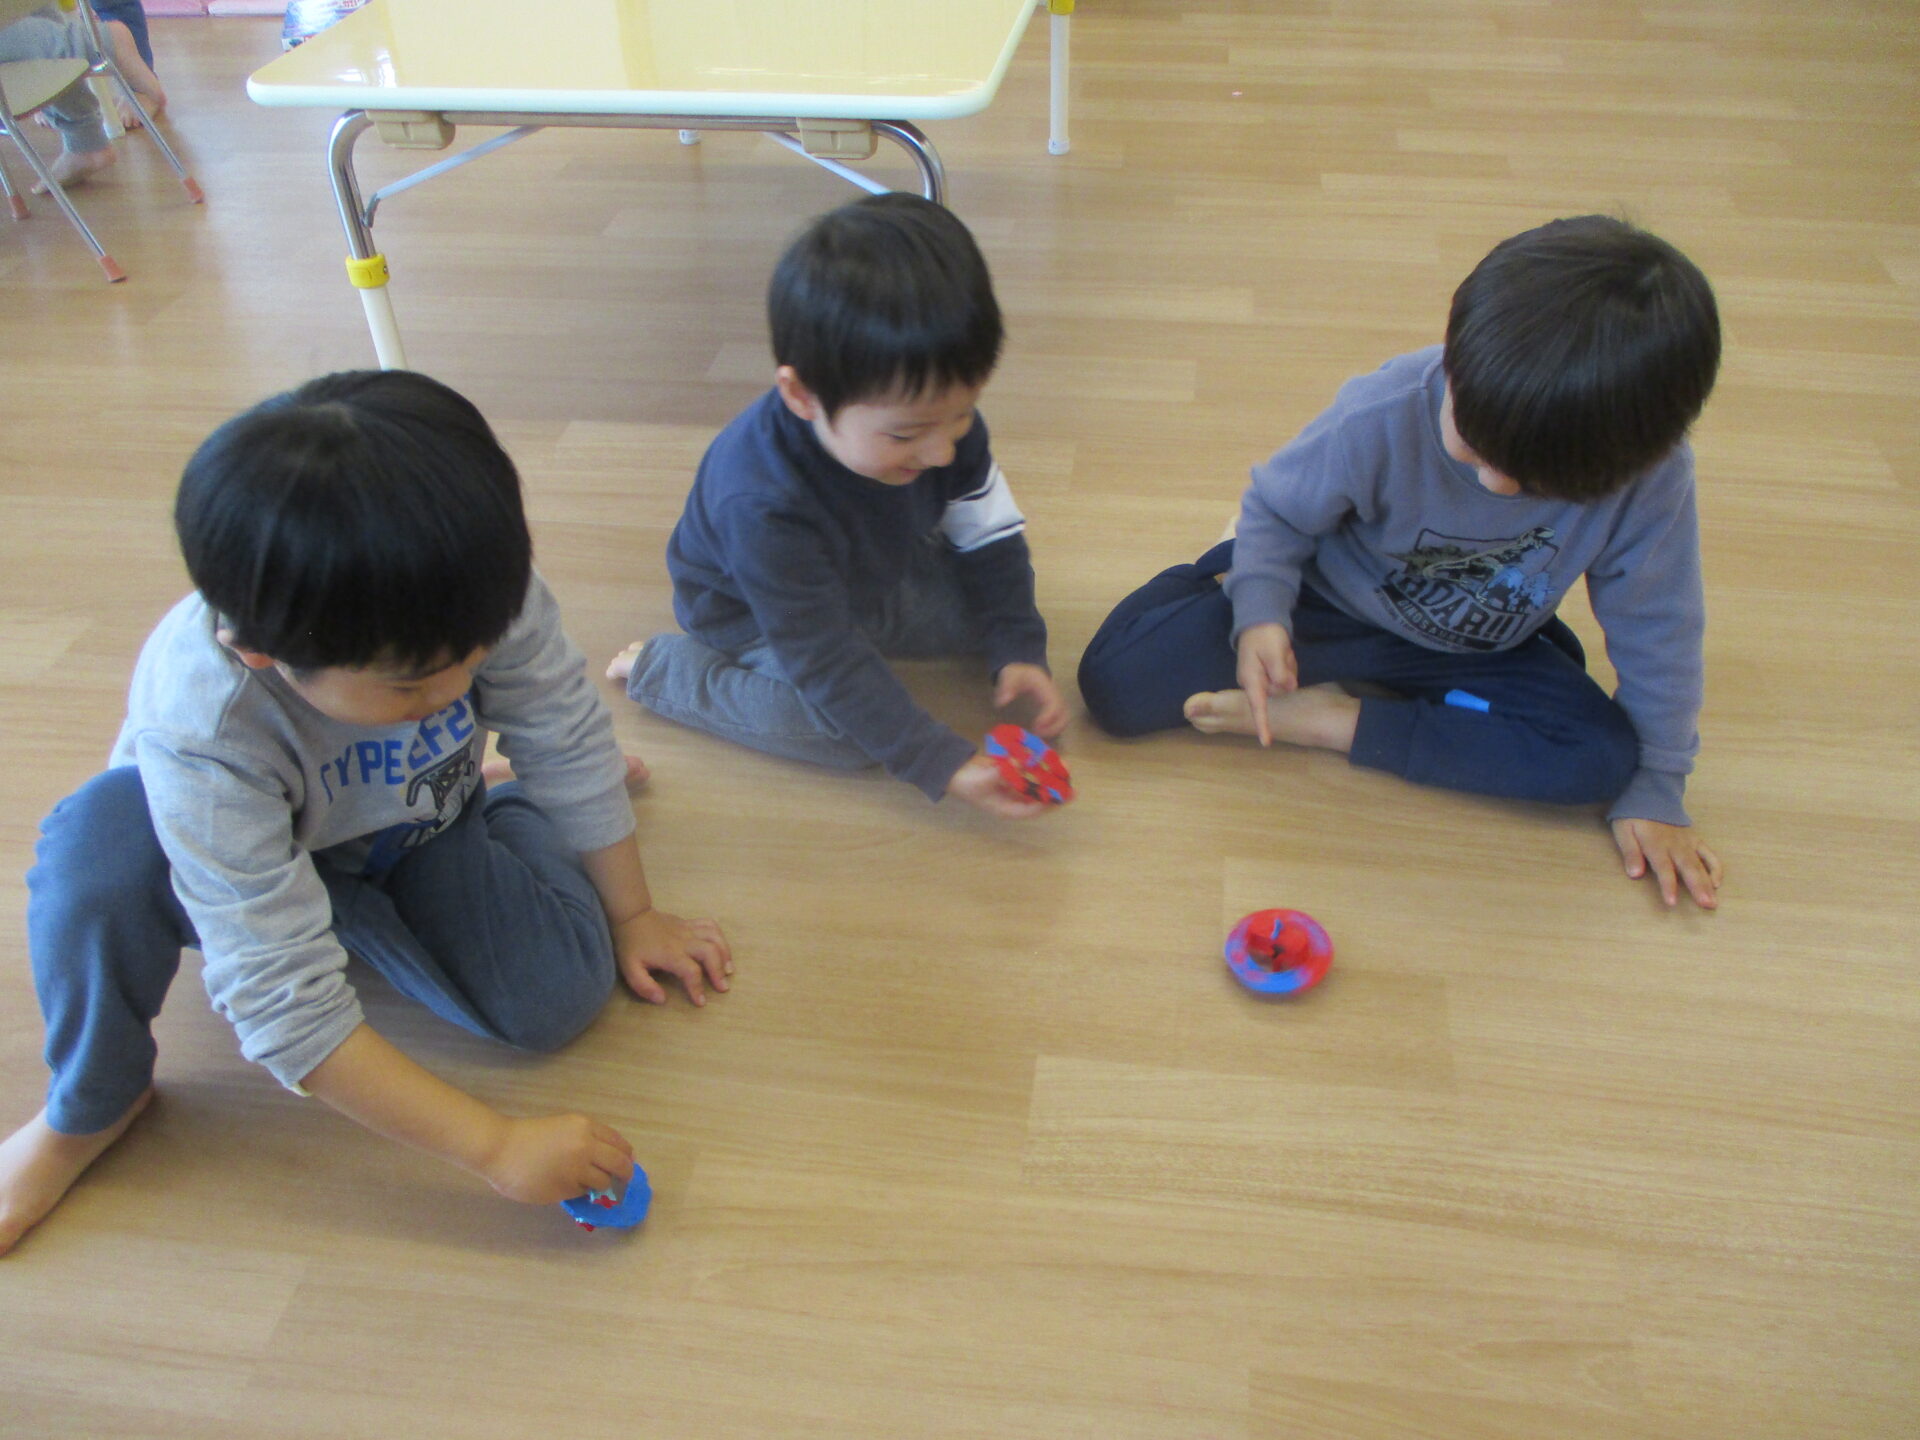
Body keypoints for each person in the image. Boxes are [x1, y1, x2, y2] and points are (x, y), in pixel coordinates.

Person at [0, 371, 732, 1256]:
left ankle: (499, 793)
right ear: (260, 652)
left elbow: (563, 725)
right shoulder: (205, 729)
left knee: (559, 999)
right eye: (411, 685)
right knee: (99, 850)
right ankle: (89, 1108)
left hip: (418, 818)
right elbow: (282, 1005)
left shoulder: (460, 585)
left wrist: (634, 913)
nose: (457, 690)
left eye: (473, 659)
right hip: (246, 845)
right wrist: (495, 1146)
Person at [1078, 215, 1725, 910]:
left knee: (1604, 758)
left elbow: (1659, 628)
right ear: (1456, 357)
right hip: (1328, 602)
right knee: (1115, 683)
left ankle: (1331, 719)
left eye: (1531, 482)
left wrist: (1658, 785)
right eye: (1473, 444)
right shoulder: (1385, 410)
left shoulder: (1652, 478)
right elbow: (1277, 505)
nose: (1492, 483)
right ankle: (1228, 568)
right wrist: (1260, 609)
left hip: (1481, 645)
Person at [610, 193, 1067, 819]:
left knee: (985, 611)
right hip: (753, 613)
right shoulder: (762, 504)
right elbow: (823, 655)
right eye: (906, 434)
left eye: (962, 415)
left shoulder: (935, 424)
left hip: (870, 571)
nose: (942, 450)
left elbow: (989, 536)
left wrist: (1018, 646)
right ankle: (666, 671)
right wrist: (943, 762)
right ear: (802, 395)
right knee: (845, 735)